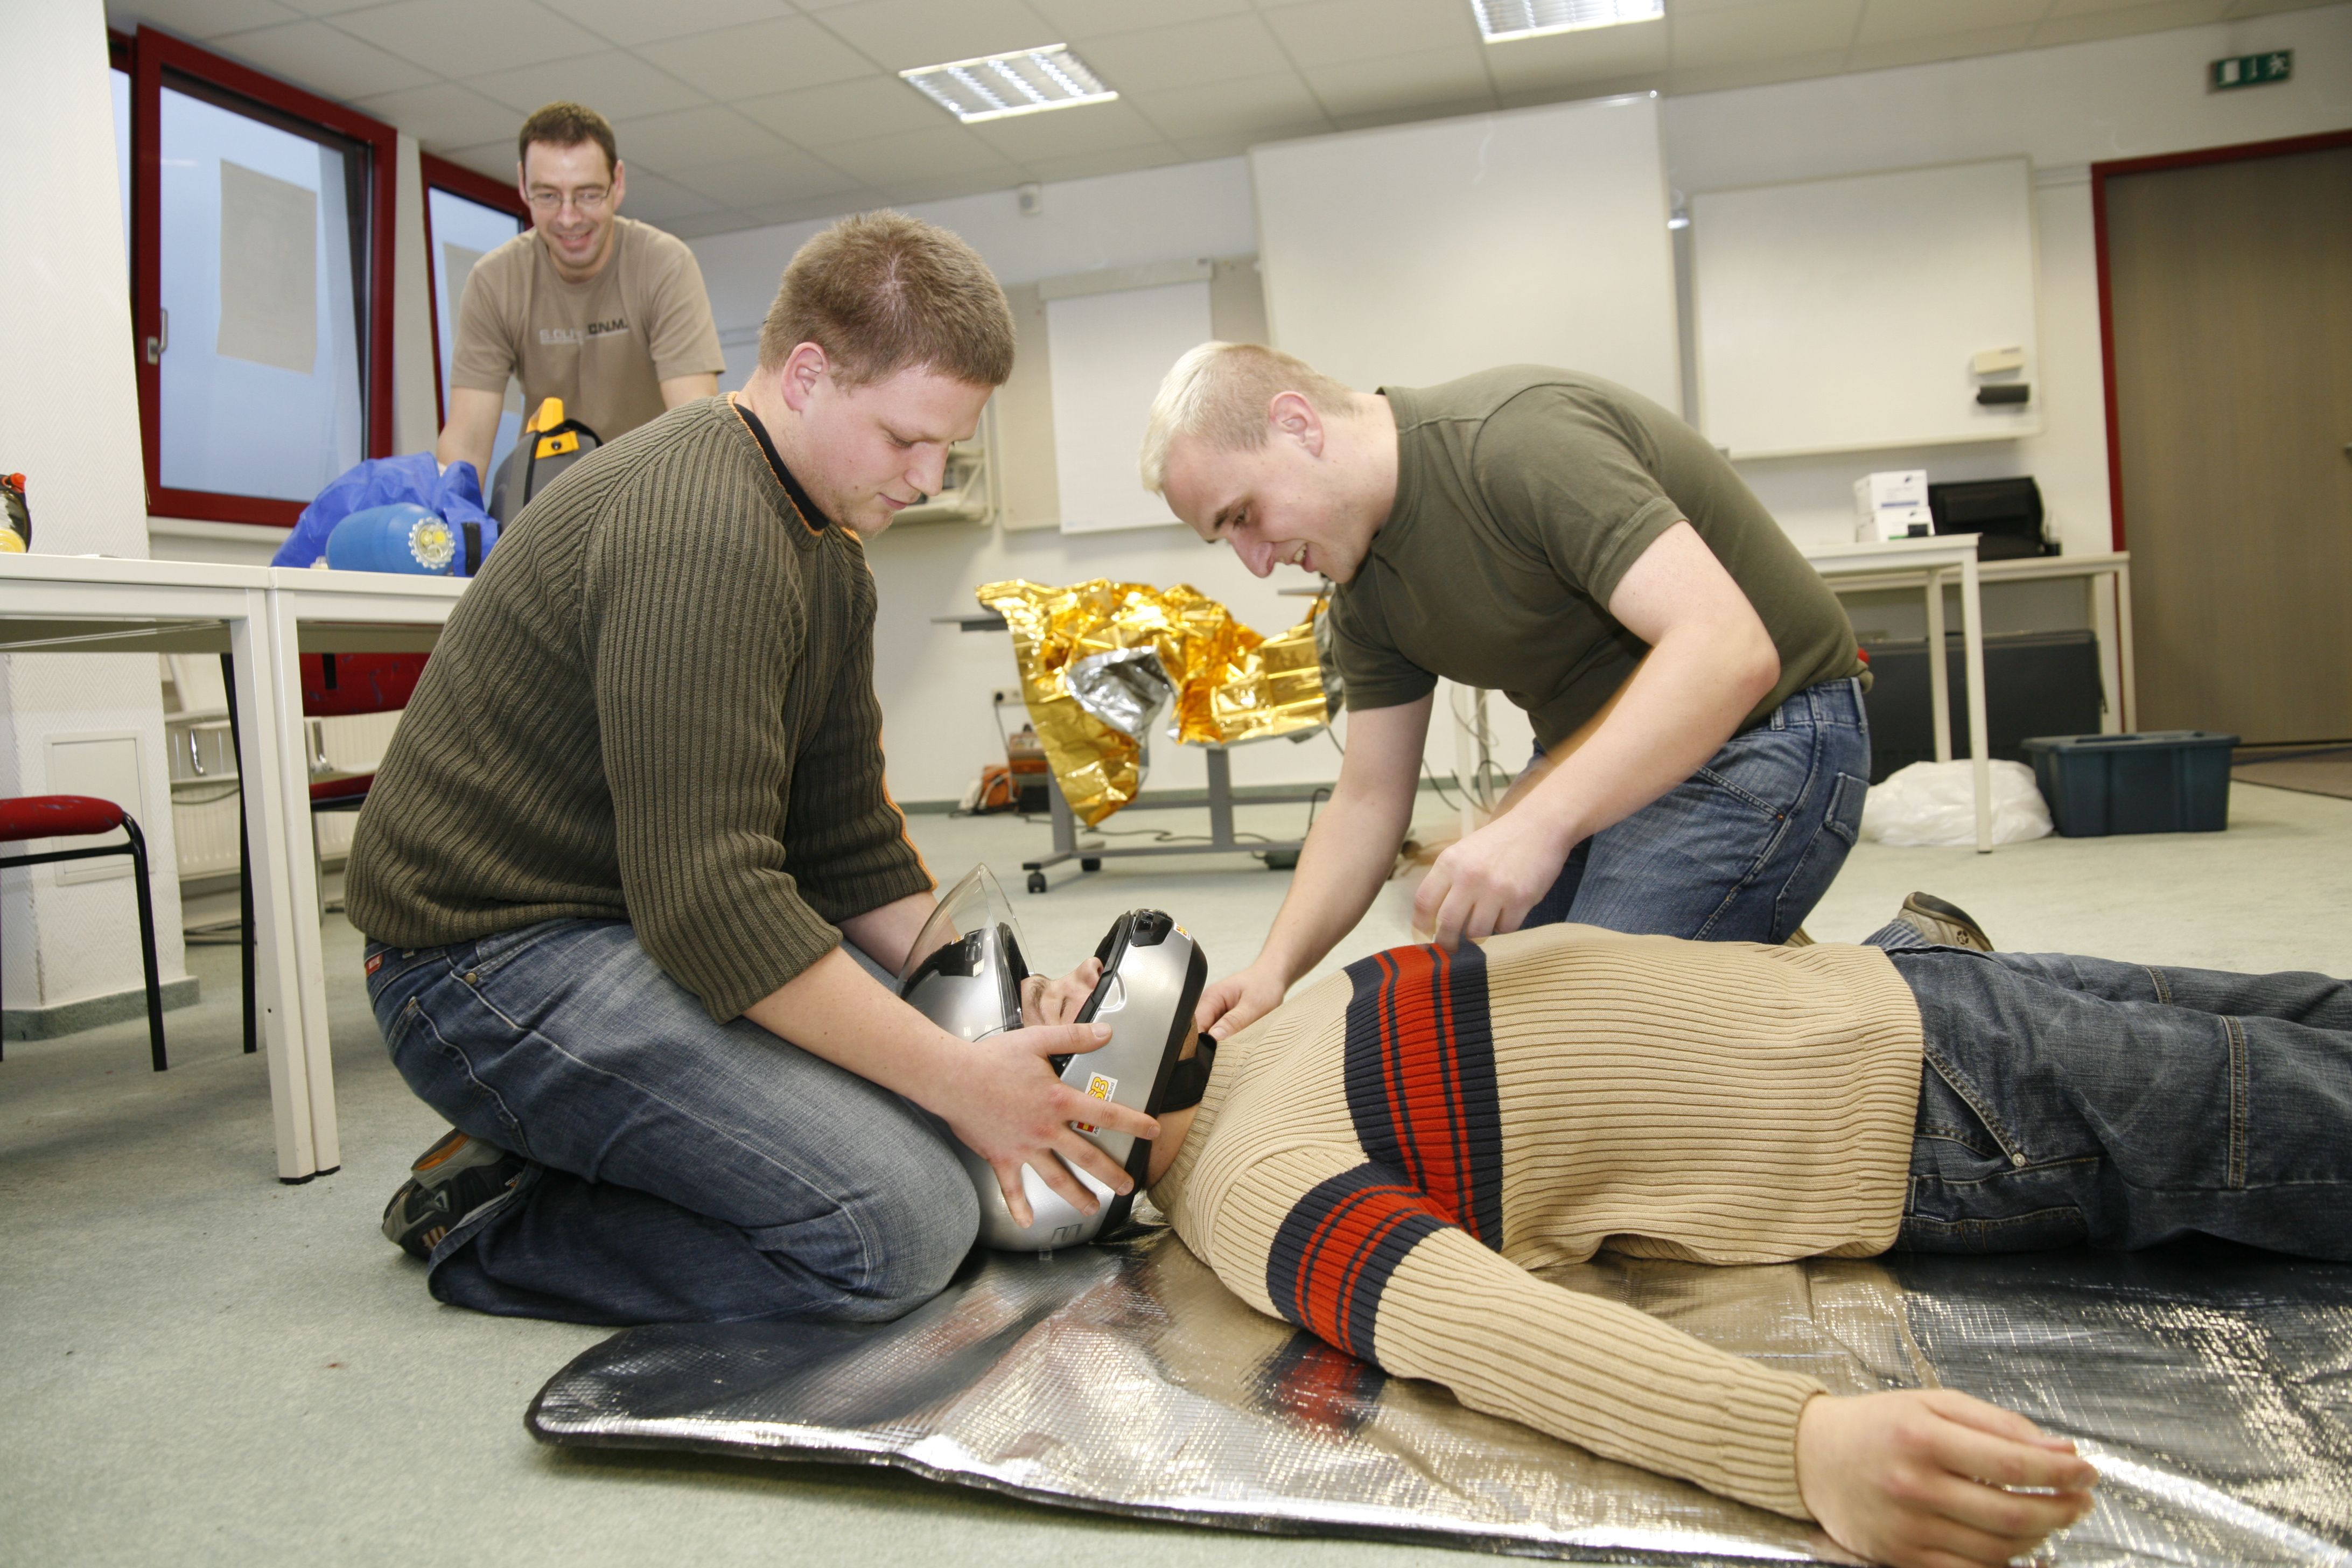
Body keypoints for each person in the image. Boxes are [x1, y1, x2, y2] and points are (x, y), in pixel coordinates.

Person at [351, 212, 1156, 1325]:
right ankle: (499, 1210)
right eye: (905, 440)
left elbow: (845, 850)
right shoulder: (704, 526)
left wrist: (999, 989)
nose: (926, 477)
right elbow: (713, 901)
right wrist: (959, 1075)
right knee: (905, 1223)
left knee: (942, 1098)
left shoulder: (826, 550)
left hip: (628, 918)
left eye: (948, 448)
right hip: (483, 969)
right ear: (811, 375)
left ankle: (646, 1142)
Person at [1058, 899, 2352, 1568]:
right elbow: (1499, 1335)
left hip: (1904, 989)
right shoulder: (1253, 1190)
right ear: (1068, 1132)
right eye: (1042, 1013)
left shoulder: (1256, 1040)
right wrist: (1804, 1447)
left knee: (2316, 1017)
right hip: (1941, 1115)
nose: (1074, 983)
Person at [1140, 345, 1874, 1041]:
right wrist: (1273, 971)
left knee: (1591, 1033)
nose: (1257, 563)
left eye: (1243, 516)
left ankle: (1910, 998)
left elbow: (1728, 651)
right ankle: (1738, 956)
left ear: (1297, 426)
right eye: (1226, 539)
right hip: (1608, 763)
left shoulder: (1514, 442)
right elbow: (1367, 799)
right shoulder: (1362, 592)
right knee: (1483, 1021)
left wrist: (1535, 824)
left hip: (1767, 727)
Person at [433, 101, 726, 487]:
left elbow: (695, 424)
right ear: (523, 184)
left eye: (588, 195)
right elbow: (467, 446)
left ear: (617, 182)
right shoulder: (495, 280)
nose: (569, 218)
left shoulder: (663, 264)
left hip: (647, 493)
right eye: (549, 196)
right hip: (548, 496)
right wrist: (444, 534)